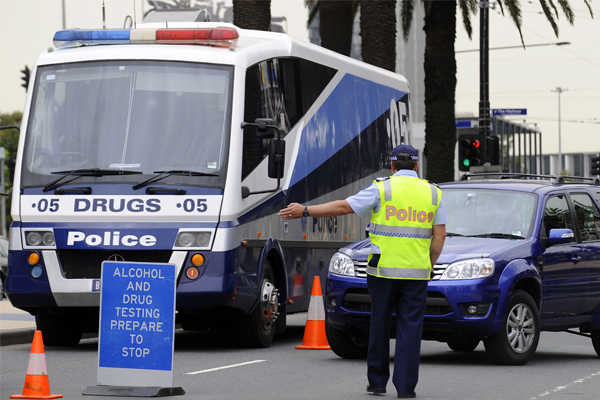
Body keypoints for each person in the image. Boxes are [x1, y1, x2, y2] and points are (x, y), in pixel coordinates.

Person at [279, 144, 447, 398]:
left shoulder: (382, 188)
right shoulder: (433, 193)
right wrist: (429, 263)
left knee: (379, 325)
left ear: (392, 165)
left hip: (381, 273)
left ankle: (377, 382)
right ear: (416, 166)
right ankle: (406, 388)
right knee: (410, 328)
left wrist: (305, 210)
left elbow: (344, 207)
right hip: (416, 274)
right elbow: (439, 236)